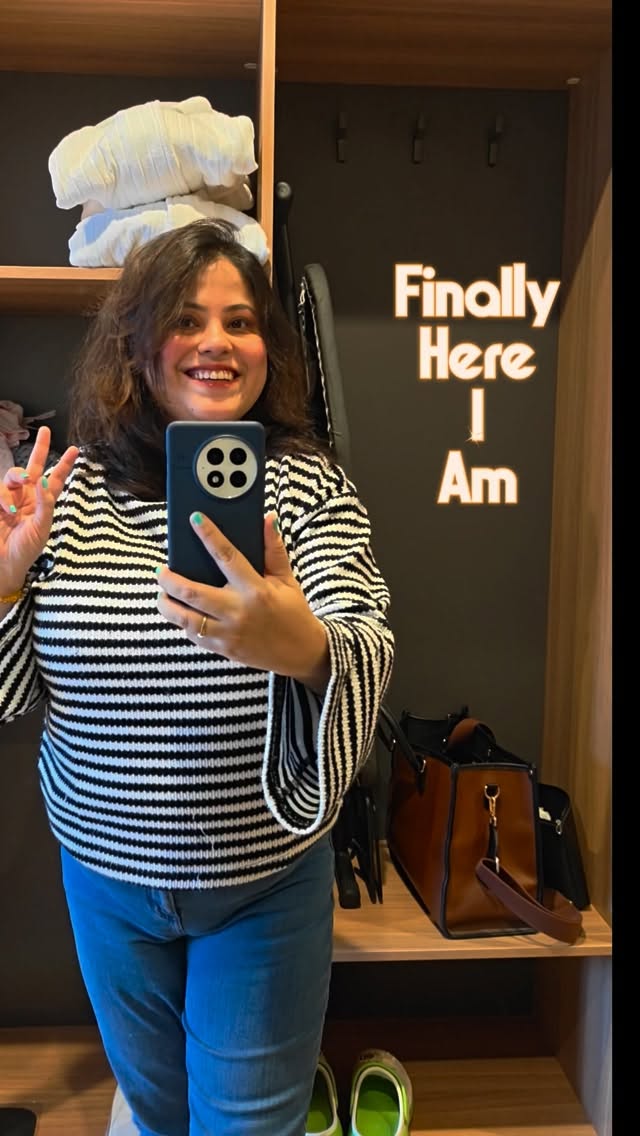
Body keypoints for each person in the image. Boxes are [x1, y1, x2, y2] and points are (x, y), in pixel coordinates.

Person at [0, 219, 394, 1136]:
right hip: (106, 881)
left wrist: (301, 646)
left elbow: (363, 633)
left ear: (267, 348)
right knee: (158, 1112)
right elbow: (11, 695)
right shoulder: (65, 491)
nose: (217, 341)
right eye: (186, 318)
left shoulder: (307, 486)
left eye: (240, 321)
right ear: (138, 346)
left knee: (248, 1125)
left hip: (263, 884)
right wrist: (8, 581)